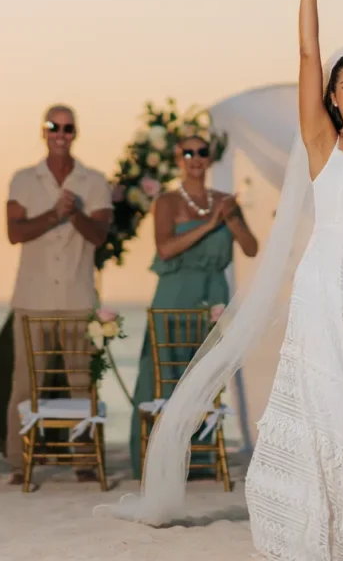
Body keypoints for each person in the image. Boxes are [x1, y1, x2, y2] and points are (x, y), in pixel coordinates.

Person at [102, 0, 343, 561]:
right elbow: (309, 51)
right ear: (333, 98)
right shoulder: (321, 143)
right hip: (327, 292)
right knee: (337, 412)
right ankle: (335, 540)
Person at [128, 132, 258, 477]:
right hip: (174, 294)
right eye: (188, 152)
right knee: (165, 373)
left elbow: (251, 248)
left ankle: (198, 458)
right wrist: (210, 224)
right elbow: (165, 249)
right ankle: (159, 459)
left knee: (204, 375)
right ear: (178, 158)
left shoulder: (225, 200)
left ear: (210, 158)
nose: (195, 158)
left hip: (213, 295)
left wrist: (231, 219)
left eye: (202, 152)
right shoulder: (167, 202)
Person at [2, 105, 113, 485]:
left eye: (67, 127)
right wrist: (55, 213)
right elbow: (14, 232)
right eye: (54, 127)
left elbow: (99, 235)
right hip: (32, 300)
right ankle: (20, 464)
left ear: (75, 133)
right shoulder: (23, 180)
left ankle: (85, 460)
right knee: (25, 386)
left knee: (82, 383)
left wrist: (75, 213)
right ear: (44, 131)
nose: (60, 133)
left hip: (78, 299)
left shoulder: (94, 181)